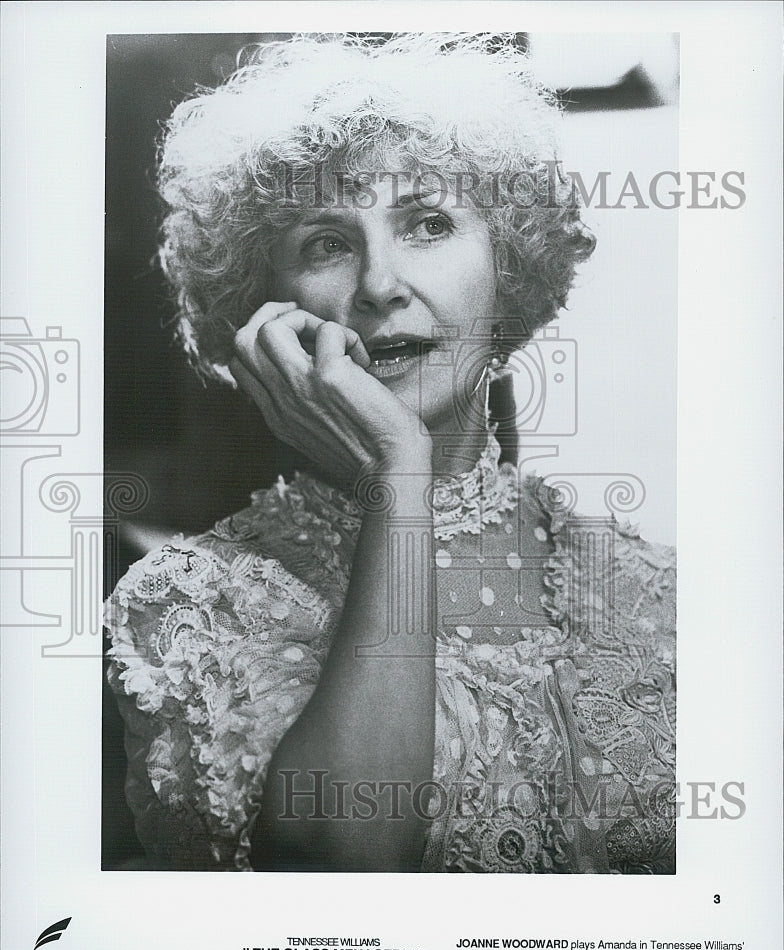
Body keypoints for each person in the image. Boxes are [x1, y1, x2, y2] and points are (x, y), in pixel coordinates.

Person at [104, 33, 676, 874]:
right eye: (326, 242)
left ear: (508, 268)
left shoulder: (653, 591)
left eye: (429, 223)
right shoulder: (190, 600)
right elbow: (346, 866)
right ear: (265, 306)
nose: (379, 283)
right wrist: (399, 478)